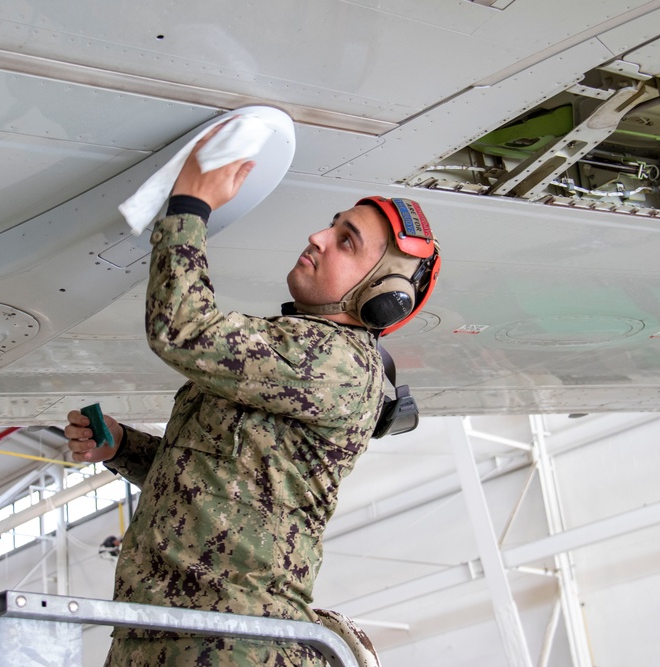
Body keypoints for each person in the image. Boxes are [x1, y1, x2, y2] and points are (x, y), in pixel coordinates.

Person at [65, 123, 440, 666]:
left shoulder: (339, 363)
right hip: (166, 635)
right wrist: (122, 447)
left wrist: (190, 204)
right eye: (333, 226)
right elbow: (220, 486)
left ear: (382, 297)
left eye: (346, 241)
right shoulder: (290, 352)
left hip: (233, 645)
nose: (318, 237)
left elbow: (183, 328)